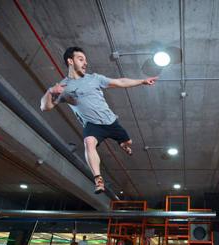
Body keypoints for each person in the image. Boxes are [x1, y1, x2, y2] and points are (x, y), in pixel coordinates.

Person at [40, 47, 157, 193]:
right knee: (88, 142)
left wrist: (142, 81)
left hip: (111, 122)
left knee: (128, 142)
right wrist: (50, 91)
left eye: (85, 60)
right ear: (70, 61)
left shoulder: (95, 78)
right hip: (93, 126)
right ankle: (98, 180)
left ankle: (124, 144)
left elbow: (120, 82)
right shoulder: (63, 87)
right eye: (81, 59)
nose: (85, 63)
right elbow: (45, 107)